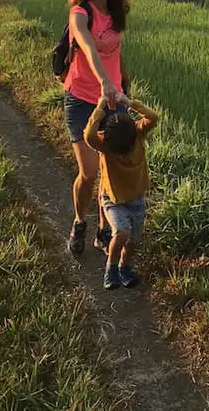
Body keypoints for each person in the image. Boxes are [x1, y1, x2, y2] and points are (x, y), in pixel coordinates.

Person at [63, 0, 131, 257]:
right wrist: (104, 82)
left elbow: (114, 52)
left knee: (109, 171)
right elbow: (89, 48)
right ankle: (80, 222)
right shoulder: (80, 13)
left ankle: (104, 231)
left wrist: (121, 83)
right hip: (82, 98)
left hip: (114, 101)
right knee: (89, 172)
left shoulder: (116, 13)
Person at [84, 95, 159, 289]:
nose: (123, 153)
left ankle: (124, 267)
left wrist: (129, 102)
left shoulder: (137, 132)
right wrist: (100, 105)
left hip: (136, 199)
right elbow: (88, 135)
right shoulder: (105, 145)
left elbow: (153, 117)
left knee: (133, 240)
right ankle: (111, 269)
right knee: (122, 233)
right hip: (113, 200)